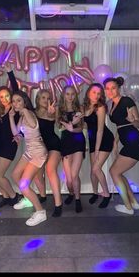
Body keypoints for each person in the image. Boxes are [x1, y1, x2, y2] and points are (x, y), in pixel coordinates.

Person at [103, 77, 139, 215]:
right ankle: (133, 202)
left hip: (136, 143)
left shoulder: (127, 101)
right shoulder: (112, 104)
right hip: (128, 143)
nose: (110, 91)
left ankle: (128, 207)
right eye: (108, 88)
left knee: (114, 172)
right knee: (117, 172)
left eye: (113, 88)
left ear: (118, 88)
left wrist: (133, 121)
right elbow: (120, 126)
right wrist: (115, 142)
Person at [9, 90, 48, 226]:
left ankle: (40, 212)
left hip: (38, 153)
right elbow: (16, 132)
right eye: (13, 101)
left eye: (19, 100)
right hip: (29, 151)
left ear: (25, 101)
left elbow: (32, 125)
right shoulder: (21, 115)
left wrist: (24, 110)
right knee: (15, 175)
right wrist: (10, 117)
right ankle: (28, 199)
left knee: (23, 185)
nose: (15, 103)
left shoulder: (27, 112)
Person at [0, 63, 21, 208]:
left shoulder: (15, 108)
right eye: (1, 97)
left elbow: (16, 89)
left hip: (9, 145)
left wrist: (10, 73)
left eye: (7, 95)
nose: (4, 98)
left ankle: (14, 196)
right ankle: (6, 196)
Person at [83, 83, 114, 208]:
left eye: (99, 93)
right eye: (94, 92)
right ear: (88, 92)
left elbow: (100, 130)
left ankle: (106, 194)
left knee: (96, 168)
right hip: (92, 139)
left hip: (104, 139)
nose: (96, 95)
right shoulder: (84, 107)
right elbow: (86, 126)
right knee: (93, 170)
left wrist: (96, 150)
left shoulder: (100, 107)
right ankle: (95, 193)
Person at [33, 89, 63, 217]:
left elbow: (58, 124)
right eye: (43, 98)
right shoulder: (33, 112)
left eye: (48, 97)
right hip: (39, 146)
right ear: (38, 100)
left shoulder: (52, 111)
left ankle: (58, 204)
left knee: (50, 169)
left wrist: (53, 114)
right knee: (36, 171)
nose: (46, 100)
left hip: (53, 145)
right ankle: (43, 195)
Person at [57, 85, 86, 213]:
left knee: (74, 175)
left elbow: (81, 127)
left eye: (72, 94)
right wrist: (71, 124)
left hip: (78, 141)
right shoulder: (60, 109)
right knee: (68, 180)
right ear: (63, 95)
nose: (70, 97)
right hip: (65, 143)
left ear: (75, 95)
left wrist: (73, 128)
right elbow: (59, 127)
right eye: (67, 94)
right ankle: (71, 194)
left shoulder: (79, 108)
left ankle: (78, 199)